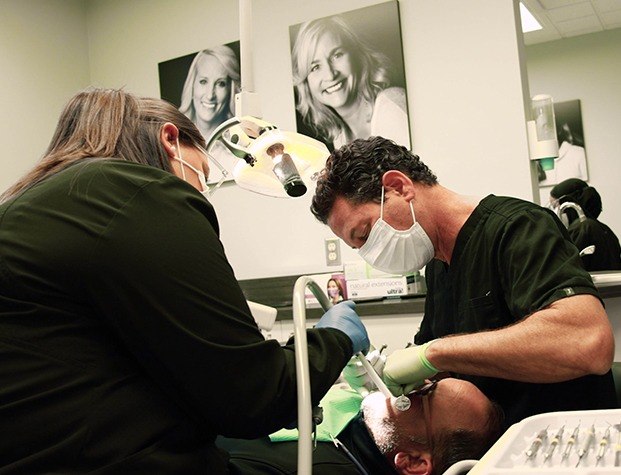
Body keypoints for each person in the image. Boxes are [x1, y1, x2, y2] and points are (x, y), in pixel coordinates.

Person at [0, 88, 370, 473]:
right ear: (170, 139)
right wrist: (334, 339)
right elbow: (254, 398)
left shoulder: (29, 207)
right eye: (204, 176)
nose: (202, 192)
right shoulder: (139, 192)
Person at [310, 136, 617, 429]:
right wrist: (384, 371)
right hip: (496, 448)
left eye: (364, 233)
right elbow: (445, 362)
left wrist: (433, 354)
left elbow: (588, 343)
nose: (369, 252)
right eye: (358, 247)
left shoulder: (517, 227)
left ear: (399, 187)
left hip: (564, 442)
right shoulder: (438, 263)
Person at [218, 377, 504, 475]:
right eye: (428, 380)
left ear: (414, 463)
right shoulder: (356, 415)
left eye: (420, 395)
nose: (406, 388)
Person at [291, 15, 410, 150]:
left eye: (337, 55)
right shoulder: (340, 139)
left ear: (357, 55)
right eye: (315, 67)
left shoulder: (390, 106)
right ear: (306, 84)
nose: (330, 75)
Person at [179, 45, 240, 184]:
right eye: (203, 81)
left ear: (231, 90)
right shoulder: (174, 143)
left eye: (221, 84)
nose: (209, 95)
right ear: (192, 85)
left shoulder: (240, 150)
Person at [550, 178, 621, 271]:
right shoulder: (603, 228)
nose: (555, 211)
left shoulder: (581, 229)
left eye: (555, 206)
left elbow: (566, 268)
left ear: (567, 203)